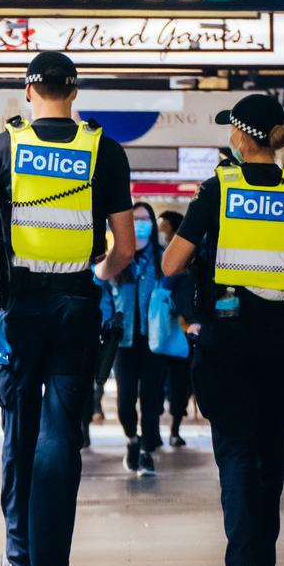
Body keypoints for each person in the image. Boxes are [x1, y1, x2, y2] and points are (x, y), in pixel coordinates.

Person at [0, 51, 135, 566]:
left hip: (19, 307)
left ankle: (19, 561)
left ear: (29, 91)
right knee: (62, 437)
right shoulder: (103, 152)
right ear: (75, 91)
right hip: (75, 306)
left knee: (19, 433)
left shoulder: (2, 148)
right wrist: (95, 274)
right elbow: (125, 248)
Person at [163, 93, 284, 566]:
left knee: (238, 454)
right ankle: (261, 563)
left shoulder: (218, 189)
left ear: (241, 136)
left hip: (229, 338)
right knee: (272, 457)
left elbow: (171, 264)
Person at [98, 202, 166, 476]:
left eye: (145, 219)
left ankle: (148, 450)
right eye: (135, 219)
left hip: (154, 339)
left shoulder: (163, 258)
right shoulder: (116, 259)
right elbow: (103, 294)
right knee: (126, 398)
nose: (140, 224)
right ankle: (132, 439)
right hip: (123, 340)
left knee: (151, 397)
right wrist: (106, 322)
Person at [157, 210, 200, 448]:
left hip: (183, 328)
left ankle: (174, 428)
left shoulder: (186, 258)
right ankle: (159, 428)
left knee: (178, 381)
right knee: (162, 382)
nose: (158, 230)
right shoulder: (155, 255)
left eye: (163, 226)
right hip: (162, 327)